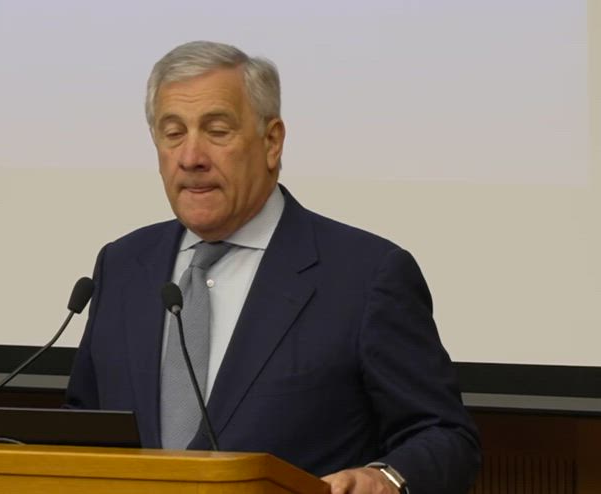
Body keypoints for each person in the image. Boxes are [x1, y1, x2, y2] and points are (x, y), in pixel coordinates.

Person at [66, 40, 481, 494]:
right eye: (173, 133)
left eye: (217, 131)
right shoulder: (123, 265)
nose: (191, 157)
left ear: (272, 141)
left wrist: (385, 478)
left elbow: (446, 436)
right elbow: (83, 429)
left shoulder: (366, 276)